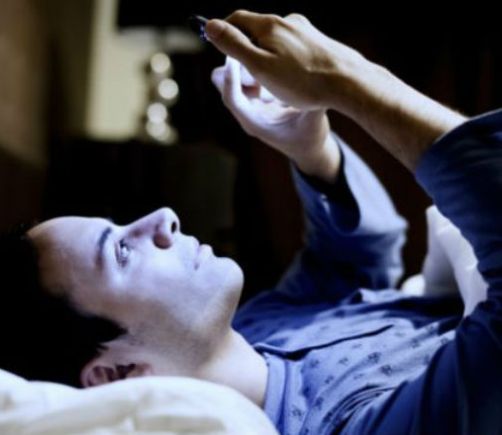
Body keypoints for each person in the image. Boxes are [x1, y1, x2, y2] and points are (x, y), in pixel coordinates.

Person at [0, 10, 499, 435]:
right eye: (123, 251)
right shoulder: (348, 425)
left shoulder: (257, 326)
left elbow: (356, 262)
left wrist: (310, 147)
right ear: (115, 373)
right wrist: (347, 79)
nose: (164, 218)